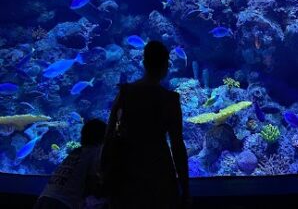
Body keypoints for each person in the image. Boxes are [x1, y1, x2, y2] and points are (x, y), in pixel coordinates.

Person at [102, 40, 190, 209]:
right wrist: (185, 188)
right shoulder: (170, 99)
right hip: (159, 169)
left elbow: (109, 134)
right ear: (166, 66)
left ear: (144, 63)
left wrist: (104, 171)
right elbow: (177, 145)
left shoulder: (125, 92)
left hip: (127, 170)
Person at [34, 119, 107, 209]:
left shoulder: (75, 152)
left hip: (44, 198)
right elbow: (92, 183)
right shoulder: (94, 152)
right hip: (62, 203)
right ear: (103, 138)